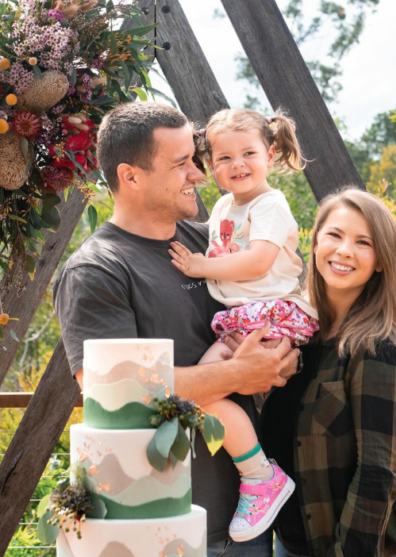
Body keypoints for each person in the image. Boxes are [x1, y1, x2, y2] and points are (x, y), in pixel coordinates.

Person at [53, 101, 299, 556]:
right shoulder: (97, 271)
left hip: (247, 524)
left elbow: (270, 303)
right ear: (130, 176)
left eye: (195, 158)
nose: (200, 174)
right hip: (159, 530)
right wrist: (236, 374)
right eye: (182, 163)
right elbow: (115, 402)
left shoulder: (207, 244)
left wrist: (281, 353)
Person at [169, 108, 319, 541]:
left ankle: (259, 476)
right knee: (202, 392)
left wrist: (198, 266)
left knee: (201, 390)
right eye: (224, 158)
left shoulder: (270, 203)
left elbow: (259, 261)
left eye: (248, 153)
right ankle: (259, 474)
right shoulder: (221, 206)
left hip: (269, 312)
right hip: (243, 316)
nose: (238, 165)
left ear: (270, 154)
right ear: (209, 165)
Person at [261, 188, 396, 557]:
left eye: (363, 242)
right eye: (335, 235)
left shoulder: (378, 346)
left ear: (380, 261)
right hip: (293, 543)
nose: (344, 250)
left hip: (352, 548)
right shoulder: (297, 336)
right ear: (314, 243)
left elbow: (379, 472)